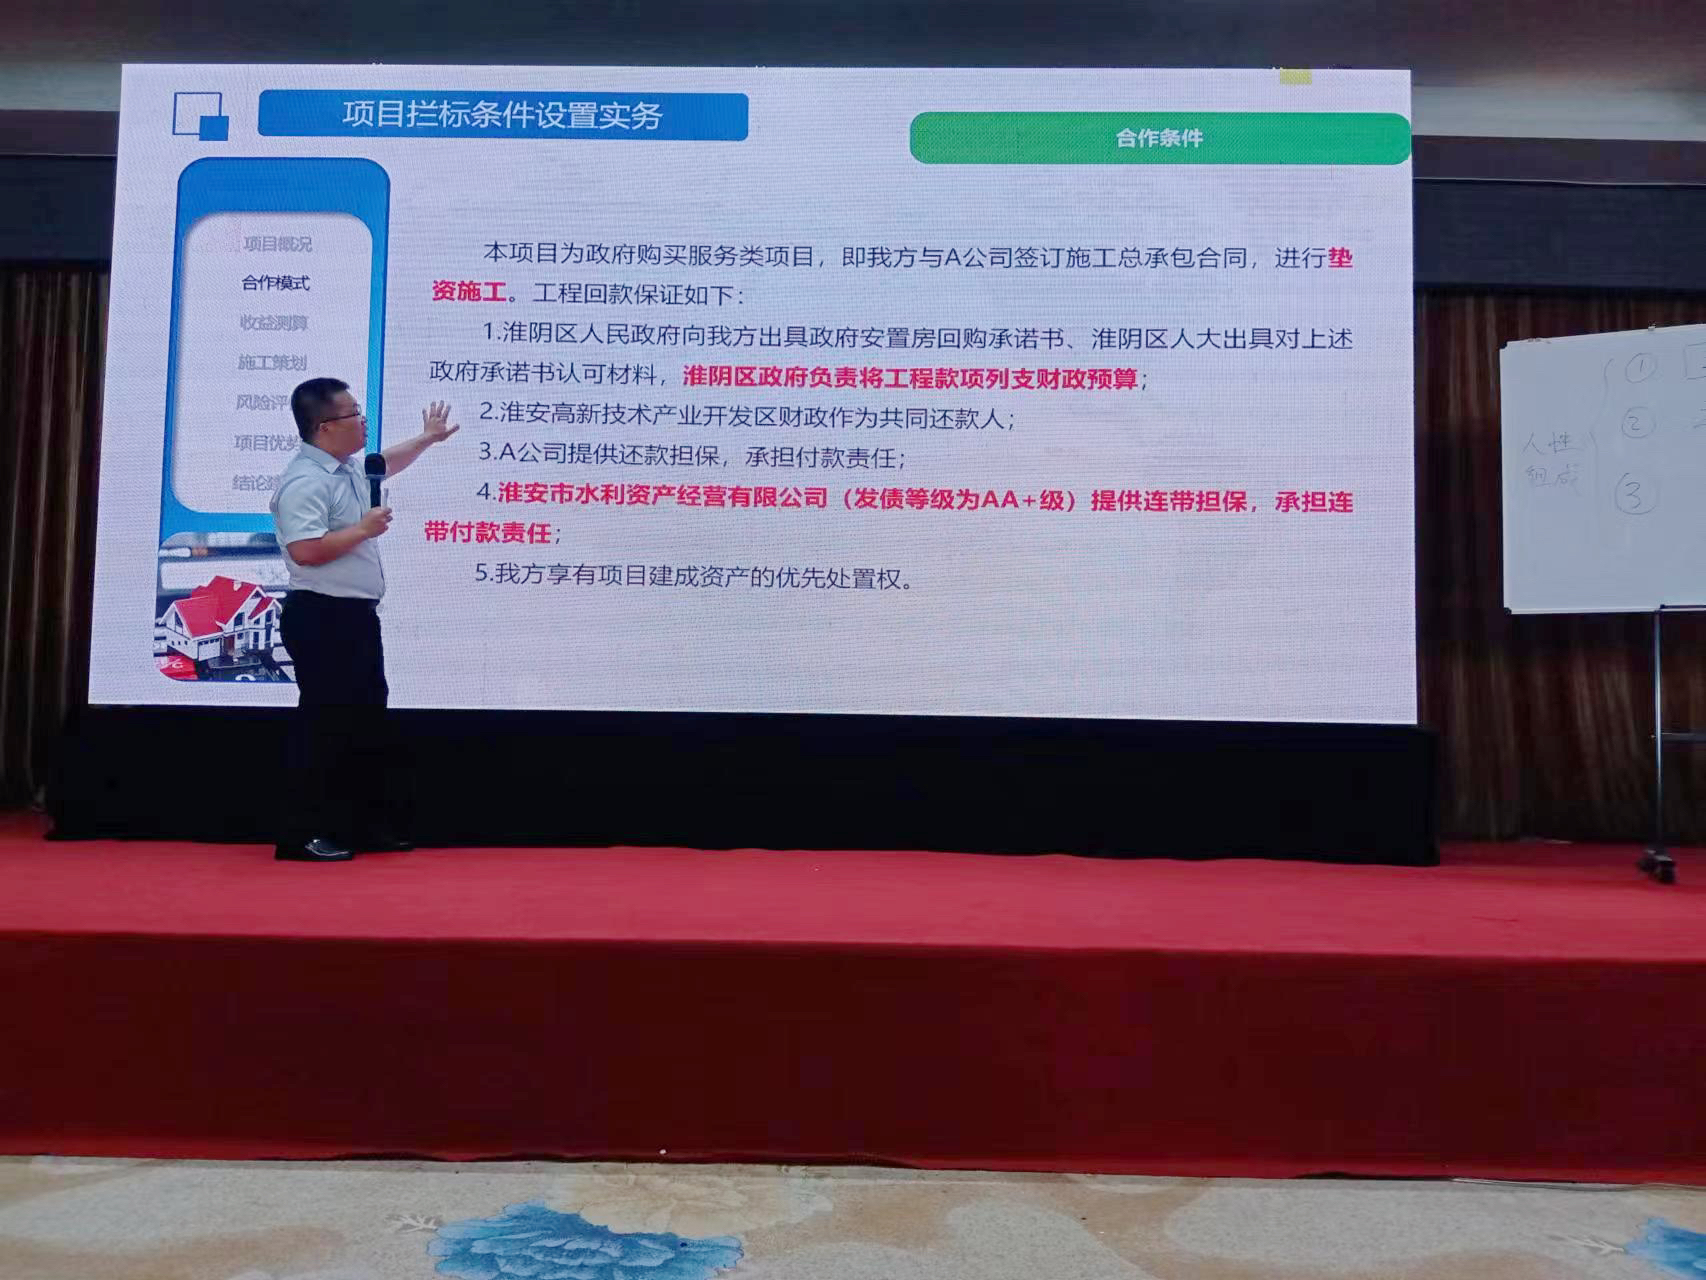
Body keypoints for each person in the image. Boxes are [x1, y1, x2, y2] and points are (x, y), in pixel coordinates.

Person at [269, 378, 458, 862]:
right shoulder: (305, 481)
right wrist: (363, 529)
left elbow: (384, 463)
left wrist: (427, 439)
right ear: (324, 426)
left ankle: (358, 825)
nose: (363, 421)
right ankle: (302, 834)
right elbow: (305, 551)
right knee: (325, 726)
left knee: (365, 725)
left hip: (354, 618)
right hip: (322, 617)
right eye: (354, 413)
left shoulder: (346, 468)